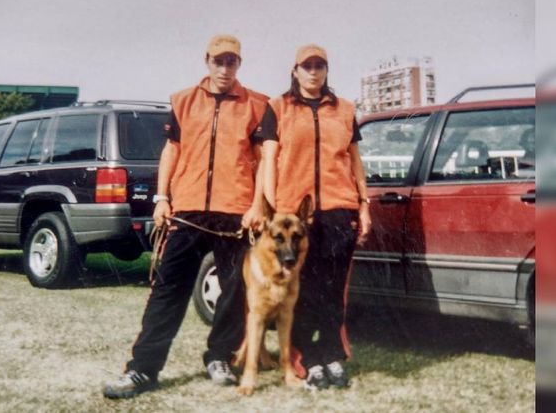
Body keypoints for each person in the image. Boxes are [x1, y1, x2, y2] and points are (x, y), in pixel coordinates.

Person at [104, 34, 269, 399]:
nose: (224, 68)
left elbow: (262, 162)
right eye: (218, 61)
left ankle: (220, 357)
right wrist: (162, 198)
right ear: (207, 61)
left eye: (231, 61)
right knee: (168, 289)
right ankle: (142, 369)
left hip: (235, 213)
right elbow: (172, 150)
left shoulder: (257, 104)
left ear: (239, 64)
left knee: (235, 290)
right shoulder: (183, 100)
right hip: (188, 210)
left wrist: (257, 205)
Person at [255, 44, 371, 390]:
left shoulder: (344, 109)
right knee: (303, 289)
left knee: (334, 290)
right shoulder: (278, 107)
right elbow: (269, 160)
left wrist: (364, 205)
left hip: (339, 210)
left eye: (320, 66)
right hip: (295, 216)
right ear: (295, 70)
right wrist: (272, 209)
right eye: (307, 66)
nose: (313, 72)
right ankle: (305, 359)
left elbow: (355, 161)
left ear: (326, 71)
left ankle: (332, 354)